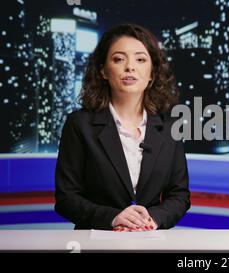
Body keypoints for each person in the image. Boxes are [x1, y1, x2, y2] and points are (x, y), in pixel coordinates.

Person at [55, 23, 190, 231]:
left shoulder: (170, 126)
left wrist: (152, 219)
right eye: (119, 59)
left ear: (152, 73)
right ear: (103, 71)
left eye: (140, 59)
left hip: (149, 241)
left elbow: (180, 195)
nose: (130, 67)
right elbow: (66, 198)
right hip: (96, 241)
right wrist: (113, 217)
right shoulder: (79, 124)